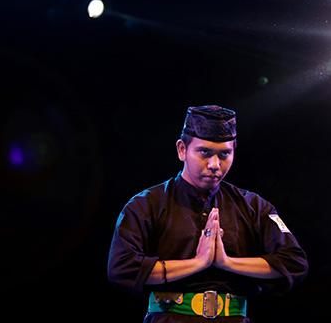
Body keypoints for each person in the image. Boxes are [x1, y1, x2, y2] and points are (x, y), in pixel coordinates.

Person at [108, 105, 308, 322]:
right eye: (205, 152)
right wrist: (198, 263)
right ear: (182, 150)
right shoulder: (146, 205)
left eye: (224, 154)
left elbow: (294, 262)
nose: (214, 164)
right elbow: (122, 268)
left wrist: (226, 262)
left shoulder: (255, 207)